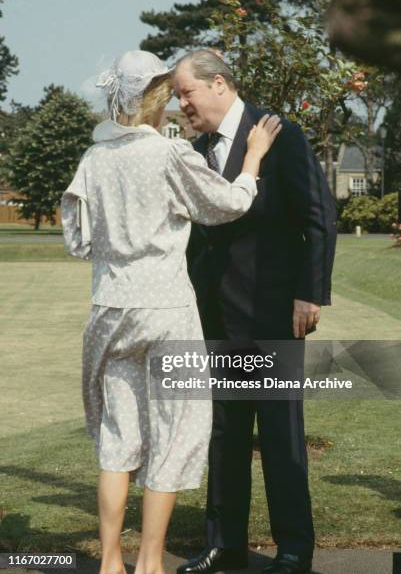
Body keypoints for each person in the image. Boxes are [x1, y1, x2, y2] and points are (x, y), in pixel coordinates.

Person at [61, 50, 281, 574]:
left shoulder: (93, 160)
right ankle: (150, 563)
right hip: (165, 310)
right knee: (173, 435)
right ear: (158, 96)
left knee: (118, 440)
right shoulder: (167, 154)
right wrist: (251, 161)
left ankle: (111, 562)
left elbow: (77, 240)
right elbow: (226, 205)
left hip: (111, 311)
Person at [174, 50, 337, 574]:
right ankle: (225, 545)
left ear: (217, 83)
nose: (182, 105)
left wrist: (310, 294)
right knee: (224, 429)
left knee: (279, 432)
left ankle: (293, 548)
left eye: (186, 93)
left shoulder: (279, 133)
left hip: (274, 313)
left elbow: (319, 216)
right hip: (214, 315)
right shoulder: (195, 150)